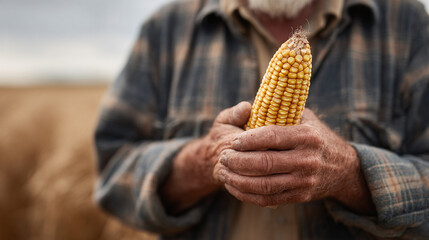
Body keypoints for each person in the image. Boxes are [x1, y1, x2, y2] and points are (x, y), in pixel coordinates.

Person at [94, 0, 429, 239]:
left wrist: (350, 173)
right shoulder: (165, 29)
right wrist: (202, 161)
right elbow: (112, 172)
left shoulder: (408, 23)